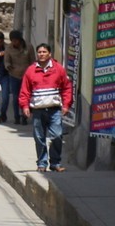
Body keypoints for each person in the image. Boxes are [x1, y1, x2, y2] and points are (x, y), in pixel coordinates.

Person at [18, 43, 73, 172]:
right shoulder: (31, 71)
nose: (41, 54)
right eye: (39, 52)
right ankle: (42, 164)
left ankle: (55, 163)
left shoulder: (58, 69)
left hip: (54, 110)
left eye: (44, 52)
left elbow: (67, 88)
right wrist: (25, 106)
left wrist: (66, 105)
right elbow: (24, 91)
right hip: (38, 110)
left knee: (57, 136)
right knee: (39, 138)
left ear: (50, 54)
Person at [5, 30, 33, 124]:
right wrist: (8, 66)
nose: (14, 42)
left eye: (16, 40)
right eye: (13, 40)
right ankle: (16, 116)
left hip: (26, 76)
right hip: (14, 75)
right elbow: (7, 61)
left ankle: (24, 116)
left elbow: (32, 61)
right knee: (16, 97)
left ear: (20, 40)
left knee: (25, 97)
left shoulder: (28, 47)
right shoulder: (9, 48)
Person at [0, 32, 11, 123]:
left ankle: (3, 114)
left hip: (5, 75)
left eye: (1, 41)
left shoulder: (7, 48)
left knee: (5, 97)